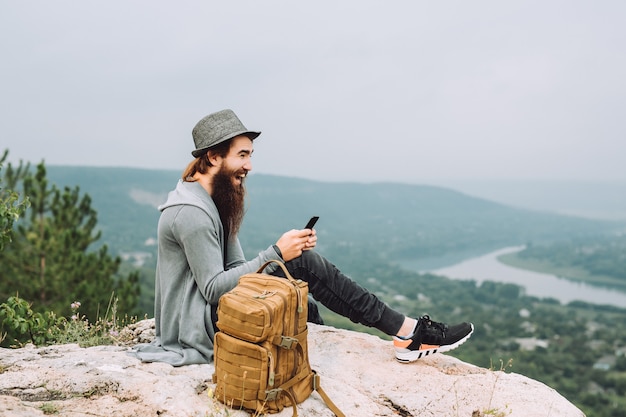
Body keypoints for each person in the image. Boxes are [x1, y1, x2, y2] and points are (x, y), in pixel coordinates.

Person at [133, 109, 473, 366]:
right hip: (196, 329)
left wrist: (281, 257)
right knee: (302, 263)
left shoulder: (214, 201)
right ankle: (407, 332)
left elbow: (236, 267)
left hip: (214, 314)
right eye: (242, 155)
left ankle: (389, 336)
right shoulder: (190, 212)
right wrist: (278, 253)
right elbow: (213, 290)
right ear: (213, 156)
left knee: (302, 304)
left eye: (250, 155)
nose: (250, 165)